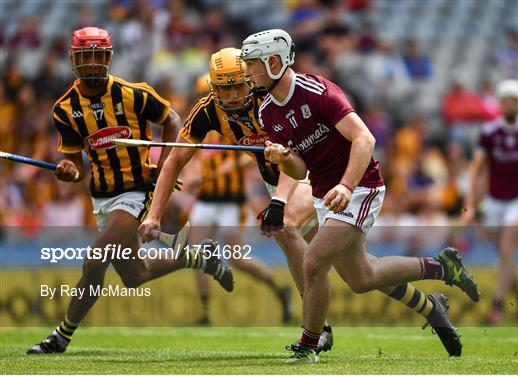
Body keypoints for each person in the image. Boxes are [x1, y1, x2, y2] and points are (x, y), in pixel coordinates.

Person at [143, 47, 471, 357]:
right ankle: (434, 296)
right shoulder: (208, 112)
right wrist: (155, 215)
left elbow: (294, 161)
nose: (231, 97)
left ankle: (316, 328)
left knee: (286, 226)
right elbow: (174, 161)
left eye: (237, 87)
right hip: (282, 183)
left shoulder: (267, 100)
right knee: (361, 275)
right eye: (222, 90)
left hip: (306, 176)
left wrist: (279, 201)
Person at [241, 29, 480, 364]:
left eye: (252, 64)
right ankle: (442, 268)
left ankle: (309, 344)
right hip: (327, 193)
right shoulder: (268, 112)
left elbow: (364, 139)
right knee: (362, 278)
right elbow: (299, 169)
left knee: (312, 263)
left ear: (275, 61)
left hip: (360, 186)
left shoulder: (318, 90)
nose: (247, 71)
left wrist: (347, 186)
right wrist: (284, 158)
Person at [27, 27, 233, 354]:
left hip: (137, 191)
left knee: (95, 260)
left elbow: (172, 119)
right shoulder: (64, 108)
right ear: (74, 59)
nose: (93, 64)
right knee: (135, 275)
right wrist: (68, 171)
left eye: (98, 56)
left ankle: (60, 336)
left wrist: (165, 167)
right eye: (86, 57)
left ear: (108, 58)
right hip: (102, 196)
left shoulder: (133, 94)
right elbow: (74, 167)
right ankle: (194, 258)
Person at [186, 76, 293, 324]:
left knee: (237, 258)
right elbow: (193, 160)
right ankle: (205, 313)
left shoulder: (235, 125)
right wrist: (193, 177)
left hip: (231, 202)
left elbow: (246, 159)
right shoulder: (203, 125)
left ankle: (278, 289)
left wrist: (212, 174)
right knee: (195, 254)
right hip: (205, 201)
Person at [463, 79, 518, 325]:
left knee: (507, 248)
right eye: (505, 100)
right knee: (506, 256)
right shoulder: (489, 132)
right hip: (495, 200)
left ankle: (496, 309)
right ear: (499, 102)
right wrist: (471, 204)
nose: (509, 104)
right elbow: (477, 168)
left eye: (514, 100)